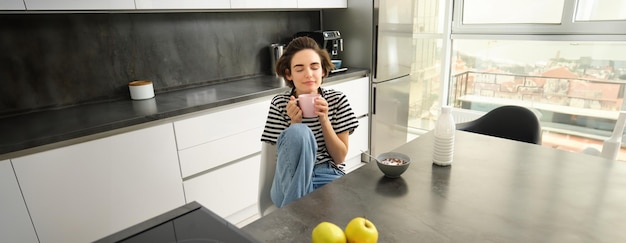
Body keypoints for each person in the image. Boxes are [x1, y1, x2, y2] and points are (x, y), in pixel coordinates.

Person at [260, 36, 359, 208]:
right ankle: (297, 212)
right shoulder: (280, 104)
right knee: (299, 132)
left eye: (314, 67)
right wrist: (294, 124)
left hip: (326, 173)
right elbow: (283, 158)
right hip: (288, 178)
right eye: (299, 69)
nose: (309, 74)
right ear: (288, 74)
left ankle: (291, 214)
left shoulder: (337, 100)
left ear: (322, 71)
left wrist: (324, 119)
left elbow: (340, 157)